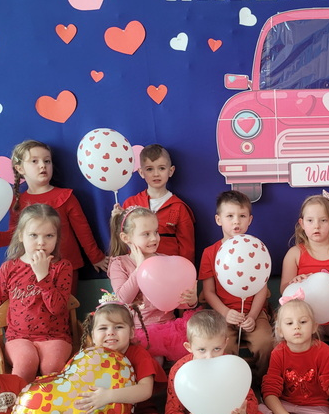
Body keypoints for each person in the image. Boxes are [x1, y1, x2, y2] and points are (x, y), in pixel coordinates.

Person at [0, 139, 107, 292]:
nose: (42, 165)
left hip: (65, 266)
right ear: (20, 168)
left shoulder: (66, 196)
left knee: (63, 304)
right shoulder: (17, 202)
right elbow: (17, 234)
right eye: (34, 161)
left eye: (47, 161)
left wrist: (96, 257)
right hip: (31, 267)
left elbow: (83, 231)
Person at [157, 310, 266, 414]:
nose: (209, 357)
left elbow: (250, 400)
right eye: (201, 350)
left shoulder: (232, 365)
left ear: (225, 343)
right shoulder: (179, 371)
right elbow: (172, 411)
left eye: (216, 349)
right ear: (189, 347)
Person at [199, 191, 273, 383]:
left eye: (242, 216)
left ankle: (263, 383)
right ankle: (229, 384)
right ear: (219, 219)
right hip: (222, 314)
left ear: (250, 220)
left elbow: (261, 288)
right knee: (224, 346)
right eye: (230, 216)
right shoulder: (209, 253)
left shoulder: (256, 249)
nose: (236, 222)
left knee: (265, 342)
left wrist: (253, 316)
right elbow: (208, 292)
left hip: (253, 312)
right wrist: (225, 313)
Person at [108, 206, 198, 365]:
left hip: (169, 327)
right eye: (146, 234)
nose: (154, 238)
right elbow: (123, 299)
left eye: (156, 232)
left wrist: (191, 300)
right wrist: (140, 268)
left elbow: (178, 301)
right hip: (137, 330)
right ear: (126, 238)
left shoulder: (167, 260)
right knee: (151, 362)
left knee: (188, 359)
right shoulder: (119, 263)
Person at [0, 203, 73, 381]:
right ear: (21, 235)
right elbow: (0, 305)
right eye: (33, 235)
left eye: (49, 235)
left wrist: (43, 276)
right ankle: (19, 399)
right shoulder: (8, 268)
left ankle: (52, 400)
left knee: (52, 367)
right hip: (18, 337)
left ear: (57, 237)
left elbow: (57, 309)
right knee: (25, 364)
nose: (41, 242)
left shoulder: (62, 267)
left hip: (55, 336)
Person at [259, 299, 329, 414]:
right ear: (280, 331)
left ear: (314, 327)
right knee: (259, 411)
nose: (296, 327)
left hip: (316, 406)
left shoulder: (324, 351)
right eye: (289, 323)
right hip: (286, 404)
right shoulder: (278, 353)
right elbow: (270, 392)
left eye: (303, 322)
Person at [281, 191, 329, 350]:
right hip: (303, 316)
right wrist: (294, 283)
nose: (316, 226)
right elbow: (284, 290)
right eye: (310, 220)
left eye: (323, 220)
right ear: (302, 224)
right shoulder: (294, 254)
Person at [116, 144, 195, 262]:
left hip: (169, 267)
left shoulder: (179, 207)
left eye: (161, 168)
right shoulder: (130, 203)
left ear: (171, 171)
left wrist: (186, 270)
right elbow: (122, 241)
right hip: (137, 267)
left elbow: (187, 249)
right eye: (149, 169)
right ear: (141, 172)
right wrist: (116, 219)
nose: (156, 174)